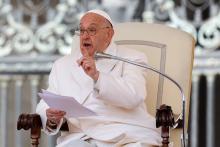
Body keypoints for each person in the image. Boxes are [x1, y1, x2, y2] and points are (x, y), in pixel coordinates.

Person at [36, 9, 161, 147]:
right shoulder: (62, 65)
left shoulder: (132, 58)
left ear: (109, 34)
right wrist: (52, 118)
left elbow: (134, 96)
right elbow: (47, 103)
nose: (85, 36)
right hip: (81, 137)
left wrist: (97, 76)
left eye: (92, 30)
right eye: (82, 31)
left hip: (127, 134)